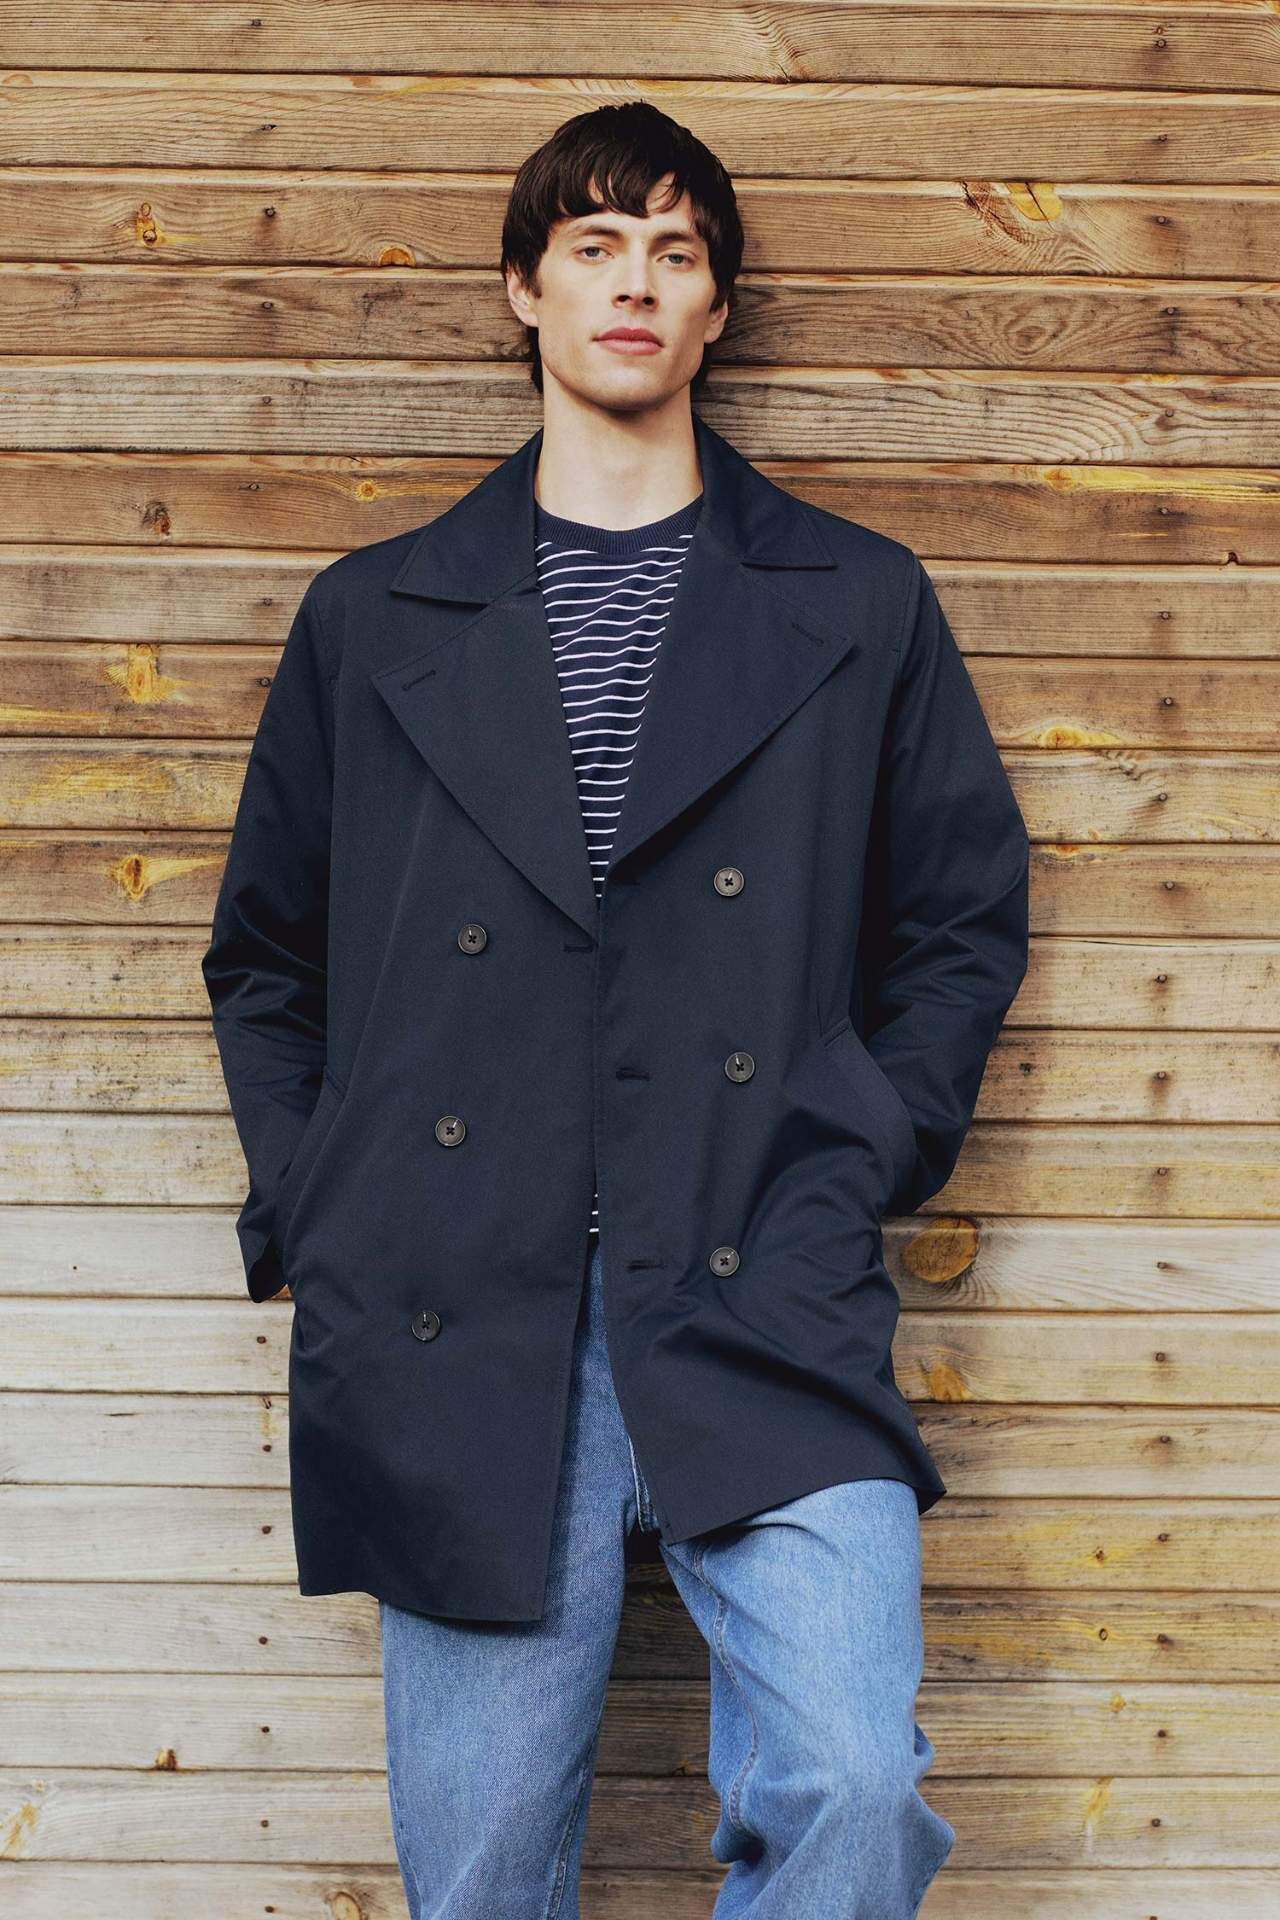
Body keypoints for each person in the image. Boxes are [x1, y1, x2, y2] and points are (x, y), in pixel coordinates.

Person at [203, 99, 1029, 1919]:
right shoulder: (373, 617)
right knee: (485, 1871)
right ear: (526, 290)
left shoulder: (857, 601)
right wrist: (326, 1201)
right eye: (594, 247)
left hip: (761, 1270)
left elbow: (961, 918)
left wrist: (863, 1138)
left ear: (717, 308)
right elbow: (265, 956)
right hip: (456, 1297)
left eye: (674, 252)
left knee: (855, 1788)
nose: (634, 284)